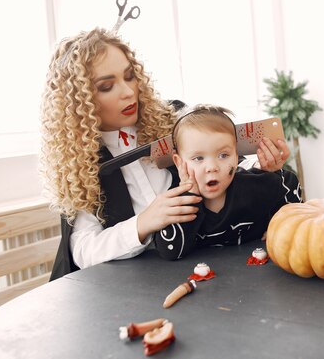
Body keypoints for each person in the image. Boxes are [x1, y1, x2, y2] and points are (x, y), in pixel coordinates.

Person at [41, 28, 290, 280]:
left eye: (129, 76)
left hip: (210, 269)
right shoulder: (79, 164)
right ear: (78, 101)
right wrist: (144, 222)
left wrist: (263, 166)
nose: (128, 91)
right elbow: (84, 251)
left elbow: (225, 170)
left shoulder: (177, 119)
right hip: (134, 286)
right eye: (107, 86)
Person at [154, 104, 302, 260]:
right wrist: (190, 198)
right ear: (178, 162)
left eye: (223, 155)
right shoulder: (177, 205)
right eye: (198, 158)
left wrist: (283, 225)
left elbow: (288, 183)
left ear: (236, 156)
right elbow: (170, 251)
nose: (211, 167)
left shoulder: (252, 186)